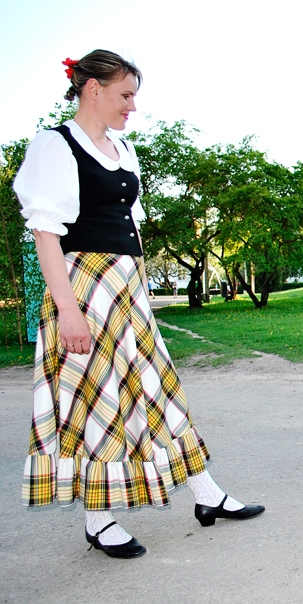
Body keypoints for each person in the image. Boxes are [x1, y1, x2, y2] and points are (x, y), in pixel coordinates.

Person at [14, 50, 264, 559]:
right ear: (93, 89)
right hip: (84, 289)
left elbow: (130, 231)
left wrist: (138, 290)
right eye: (125, 95)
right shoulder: (55, 146)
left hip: (127, 291)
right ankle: (98, 520)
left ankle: (206, 494)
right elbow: (46, 234)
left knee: (158, 390)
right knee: (96, 402)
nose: (132, 106)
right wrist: (67, 309)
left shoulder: (121, 148)